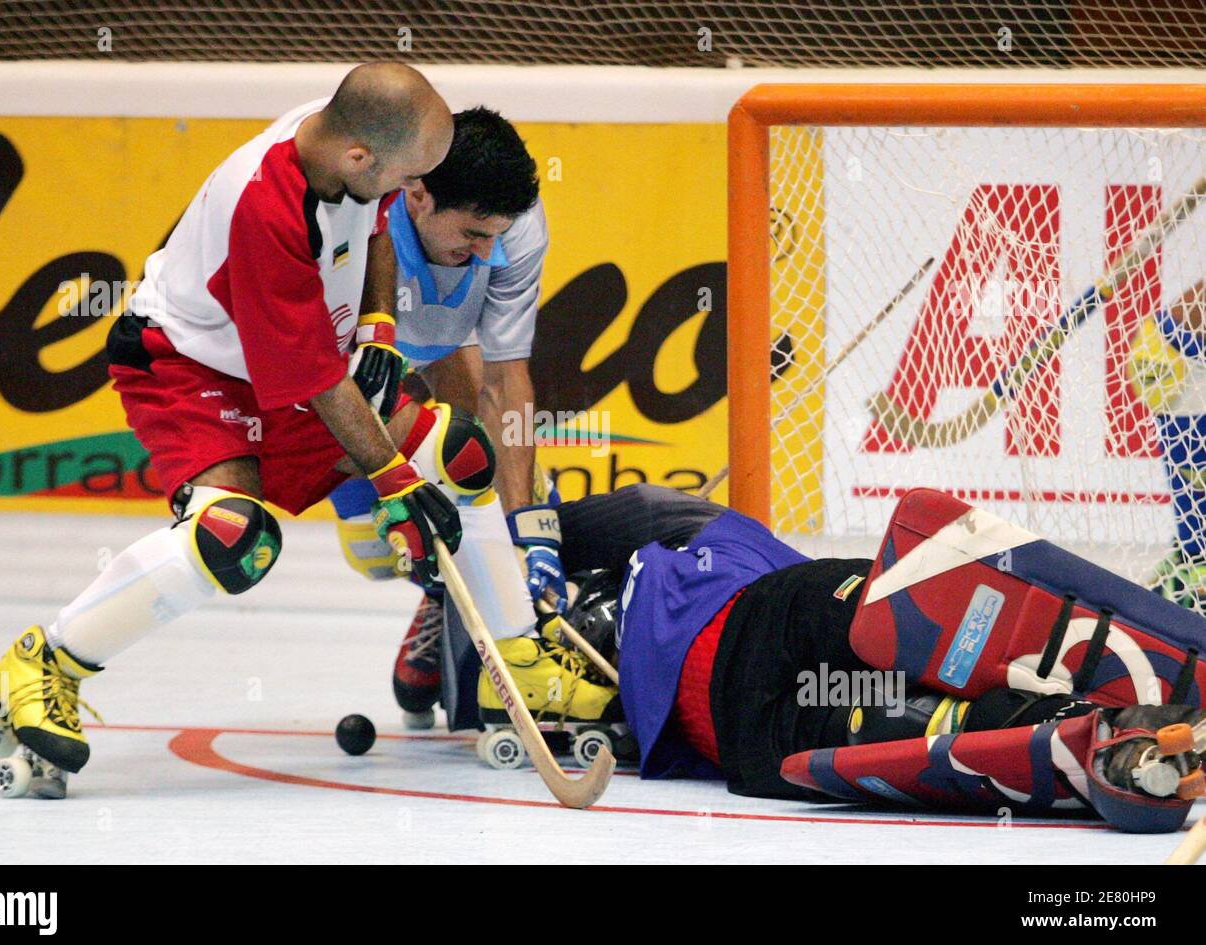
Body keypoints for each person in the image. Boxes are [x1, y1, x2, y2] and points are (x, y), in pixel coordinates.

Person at [0, 65, 540, 798]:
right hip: (188, 367)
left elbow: (382, 222)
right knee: (230, 537)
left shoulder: (342, 142)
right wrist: (393, 481)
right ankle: (47, 662)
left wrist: (381, 326)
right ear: (362, 158)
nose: (408, 194)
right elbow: (318, 381)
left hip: (288, 365)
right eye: (405, 178)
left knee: (460, 454)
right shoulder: (263, 211)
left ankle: (523, 661)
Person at [486, 482, 1206, 833]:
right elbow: (485, 619)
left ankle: (1107, 734)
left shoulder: (685, 524)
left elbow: (565, 521)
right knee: (922, 724)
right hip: (752, 741)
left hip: (778, 623)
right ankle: (1095, 736)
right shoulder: (567, 666)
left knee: (922, 669)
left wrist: (544, 537)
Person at [326, 107, 556, 727]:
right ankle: (439, 590)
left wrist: (528, 530)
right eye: (474, 235)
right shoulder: (354, 225)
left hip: (451, 352)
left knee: (500, 477)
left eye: (496, 236)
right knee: (377, 549)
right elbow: (323, 377)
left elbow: (507, 379)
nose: (488, 250)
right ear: (417, 194)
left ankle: (507, 624)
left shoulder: (516, 227)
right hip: (345, 375)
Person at [1128, 278, 1206, 611]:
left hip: (1168, 351)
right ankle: (1191, 567)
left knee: (1196, 538)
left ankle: (1189, 562)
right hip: (1178, 357)